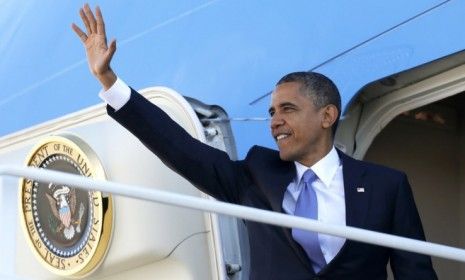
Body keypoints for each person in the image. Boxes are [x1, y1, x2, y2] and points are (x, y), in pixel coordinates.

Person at [72, 4, 437, 279]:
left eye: (288, 109)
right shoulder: (255, 177)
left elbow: (416, 274)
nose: (275, 120)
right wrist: (110, 82)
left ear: (327, 116)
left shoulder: (386, 186)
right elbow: (178, 147)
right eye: (272, 111)